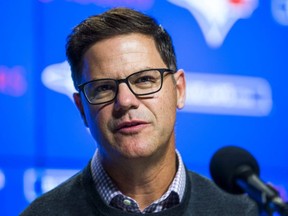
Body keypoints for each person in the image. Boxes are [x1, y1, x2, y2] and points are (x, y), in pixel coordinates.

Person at [20, 7, 259, 215]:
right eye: (103, 88)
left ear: (179, 90)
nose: (125, 101)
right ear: (82, 108)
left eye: (144, 79)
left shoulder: (240, 211)